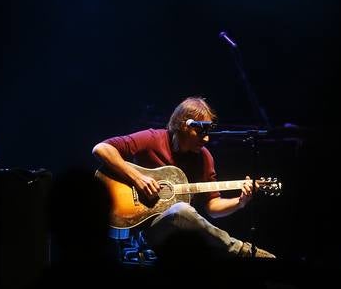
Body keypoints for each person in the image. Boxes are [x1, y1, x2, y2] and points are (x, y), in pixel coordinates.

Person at [91, 96, 276, 261]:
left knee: (184, 216)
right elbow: (101, 148)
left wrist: (240, 202)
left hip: (178, 238)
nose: (206, 139)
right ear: (184, 126)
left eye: (208, 133)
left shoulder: (204, 158)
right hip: (144, 232)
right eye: (201, 132)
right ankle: (241, 251)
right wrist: (138, 178)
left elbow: (213, 207)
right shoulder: (152, 139)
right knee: (182, 209)